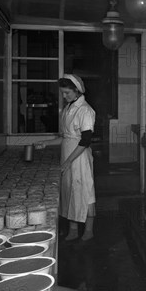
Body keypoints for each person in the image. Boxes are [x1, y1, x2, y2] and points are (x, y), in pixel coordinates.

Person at [56, 74, 97, 241]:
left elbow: (85, 140)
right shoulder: (68, 109)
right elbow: (65, 137)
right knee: (69, 191)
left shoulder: (85, 110)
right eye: (62, 93)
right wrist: (44, 142)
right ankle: (73, 229)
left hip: (79, 158)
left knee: (85, 191)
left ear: (77, 91)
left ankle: (88, 230)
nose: (64, 96)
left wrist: (68, 161)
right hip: (68, 157)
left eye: (67, 93)